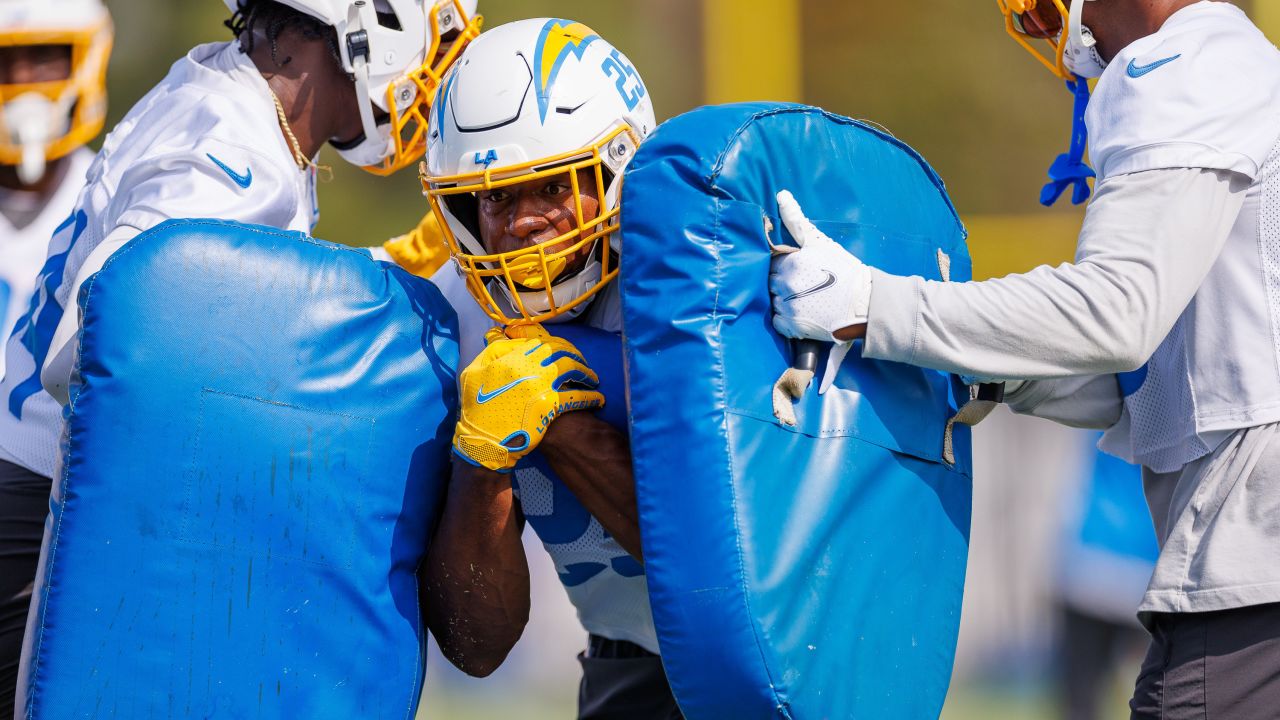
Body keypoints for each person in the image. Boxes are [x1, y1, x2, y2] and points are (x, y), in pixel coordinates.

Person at [765, 1, 1280, 717]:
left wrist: (873, 305)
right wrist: (973, 364)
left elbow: (1113, 313)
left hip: (1255, 580)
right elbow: (1157, 377)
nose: (1040, 20)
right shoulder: (1248, 69)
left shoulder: (1185, 63)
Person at [0, 0, 487, 707]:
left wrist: (372, 270)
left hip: (49, 501)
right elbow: (96, 345)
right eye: (433, 38)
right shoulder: (234, 157)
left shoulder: (225, 104)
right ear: (366, 24)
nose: (434, 69)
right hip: (51, 528)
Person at [418, 18, 680, 718]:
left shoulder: (687, 290)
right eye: (497, 197)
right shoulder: (458, 315)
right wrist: (480, 463)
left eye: (552, 190)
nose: (521, 224)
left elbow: (713, 569)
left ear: (620, 174)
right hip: (626, 660)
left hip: (781, 649)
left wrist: (564, 424)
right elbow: (478, 647)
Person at [0, 1, 111, 714]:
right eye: (5, 63)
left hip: (70, 526)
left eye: (44, 58)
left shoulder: (120, 194)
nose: (22, 82)